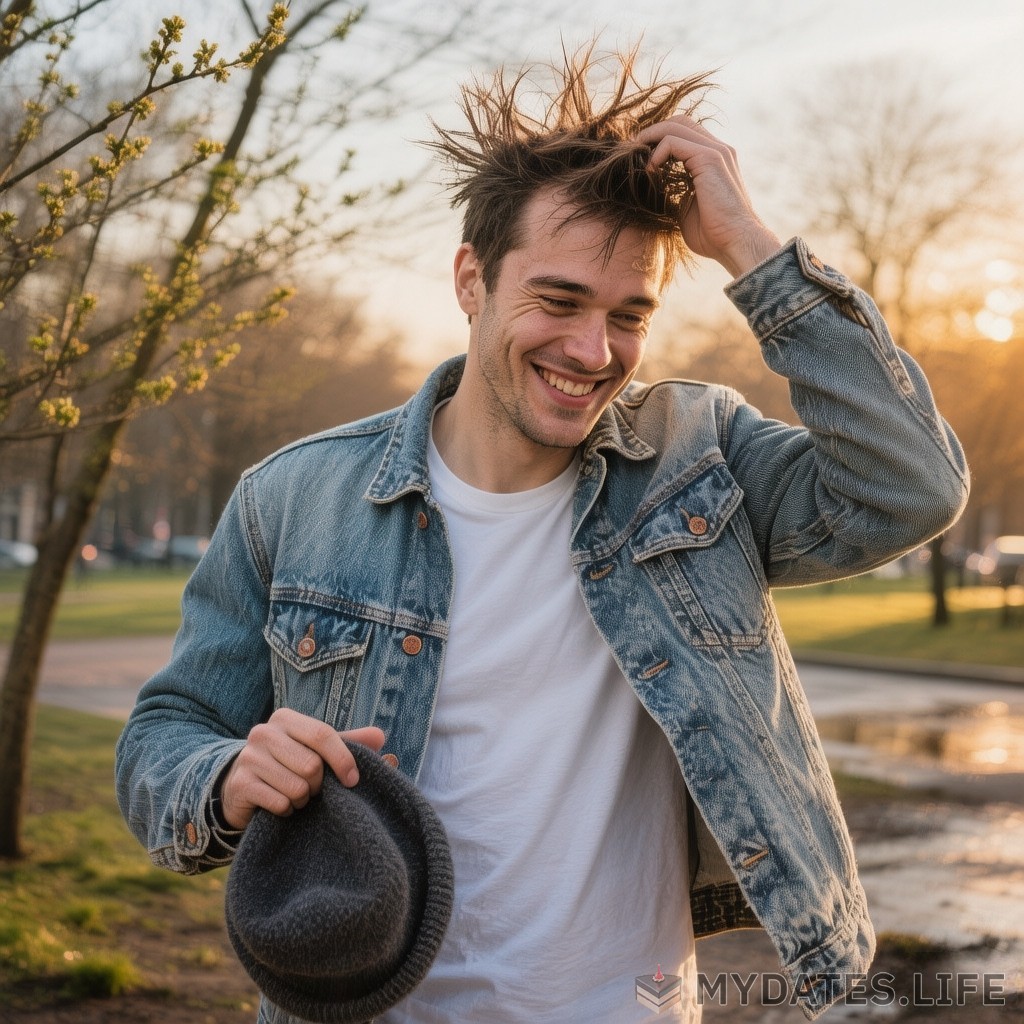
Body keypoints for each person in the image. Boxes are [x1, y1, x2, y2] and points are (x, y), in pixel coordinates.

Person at [115, 45, 969, 1024]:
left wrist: (749, 245)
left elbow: (910, 486)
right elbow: (163, 735)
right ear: (471, 279)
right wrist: (224, 774)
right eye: (558, 300)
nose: (591, 350)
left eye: (628, 315)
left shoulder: (700, 459)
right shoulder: (292, 497)